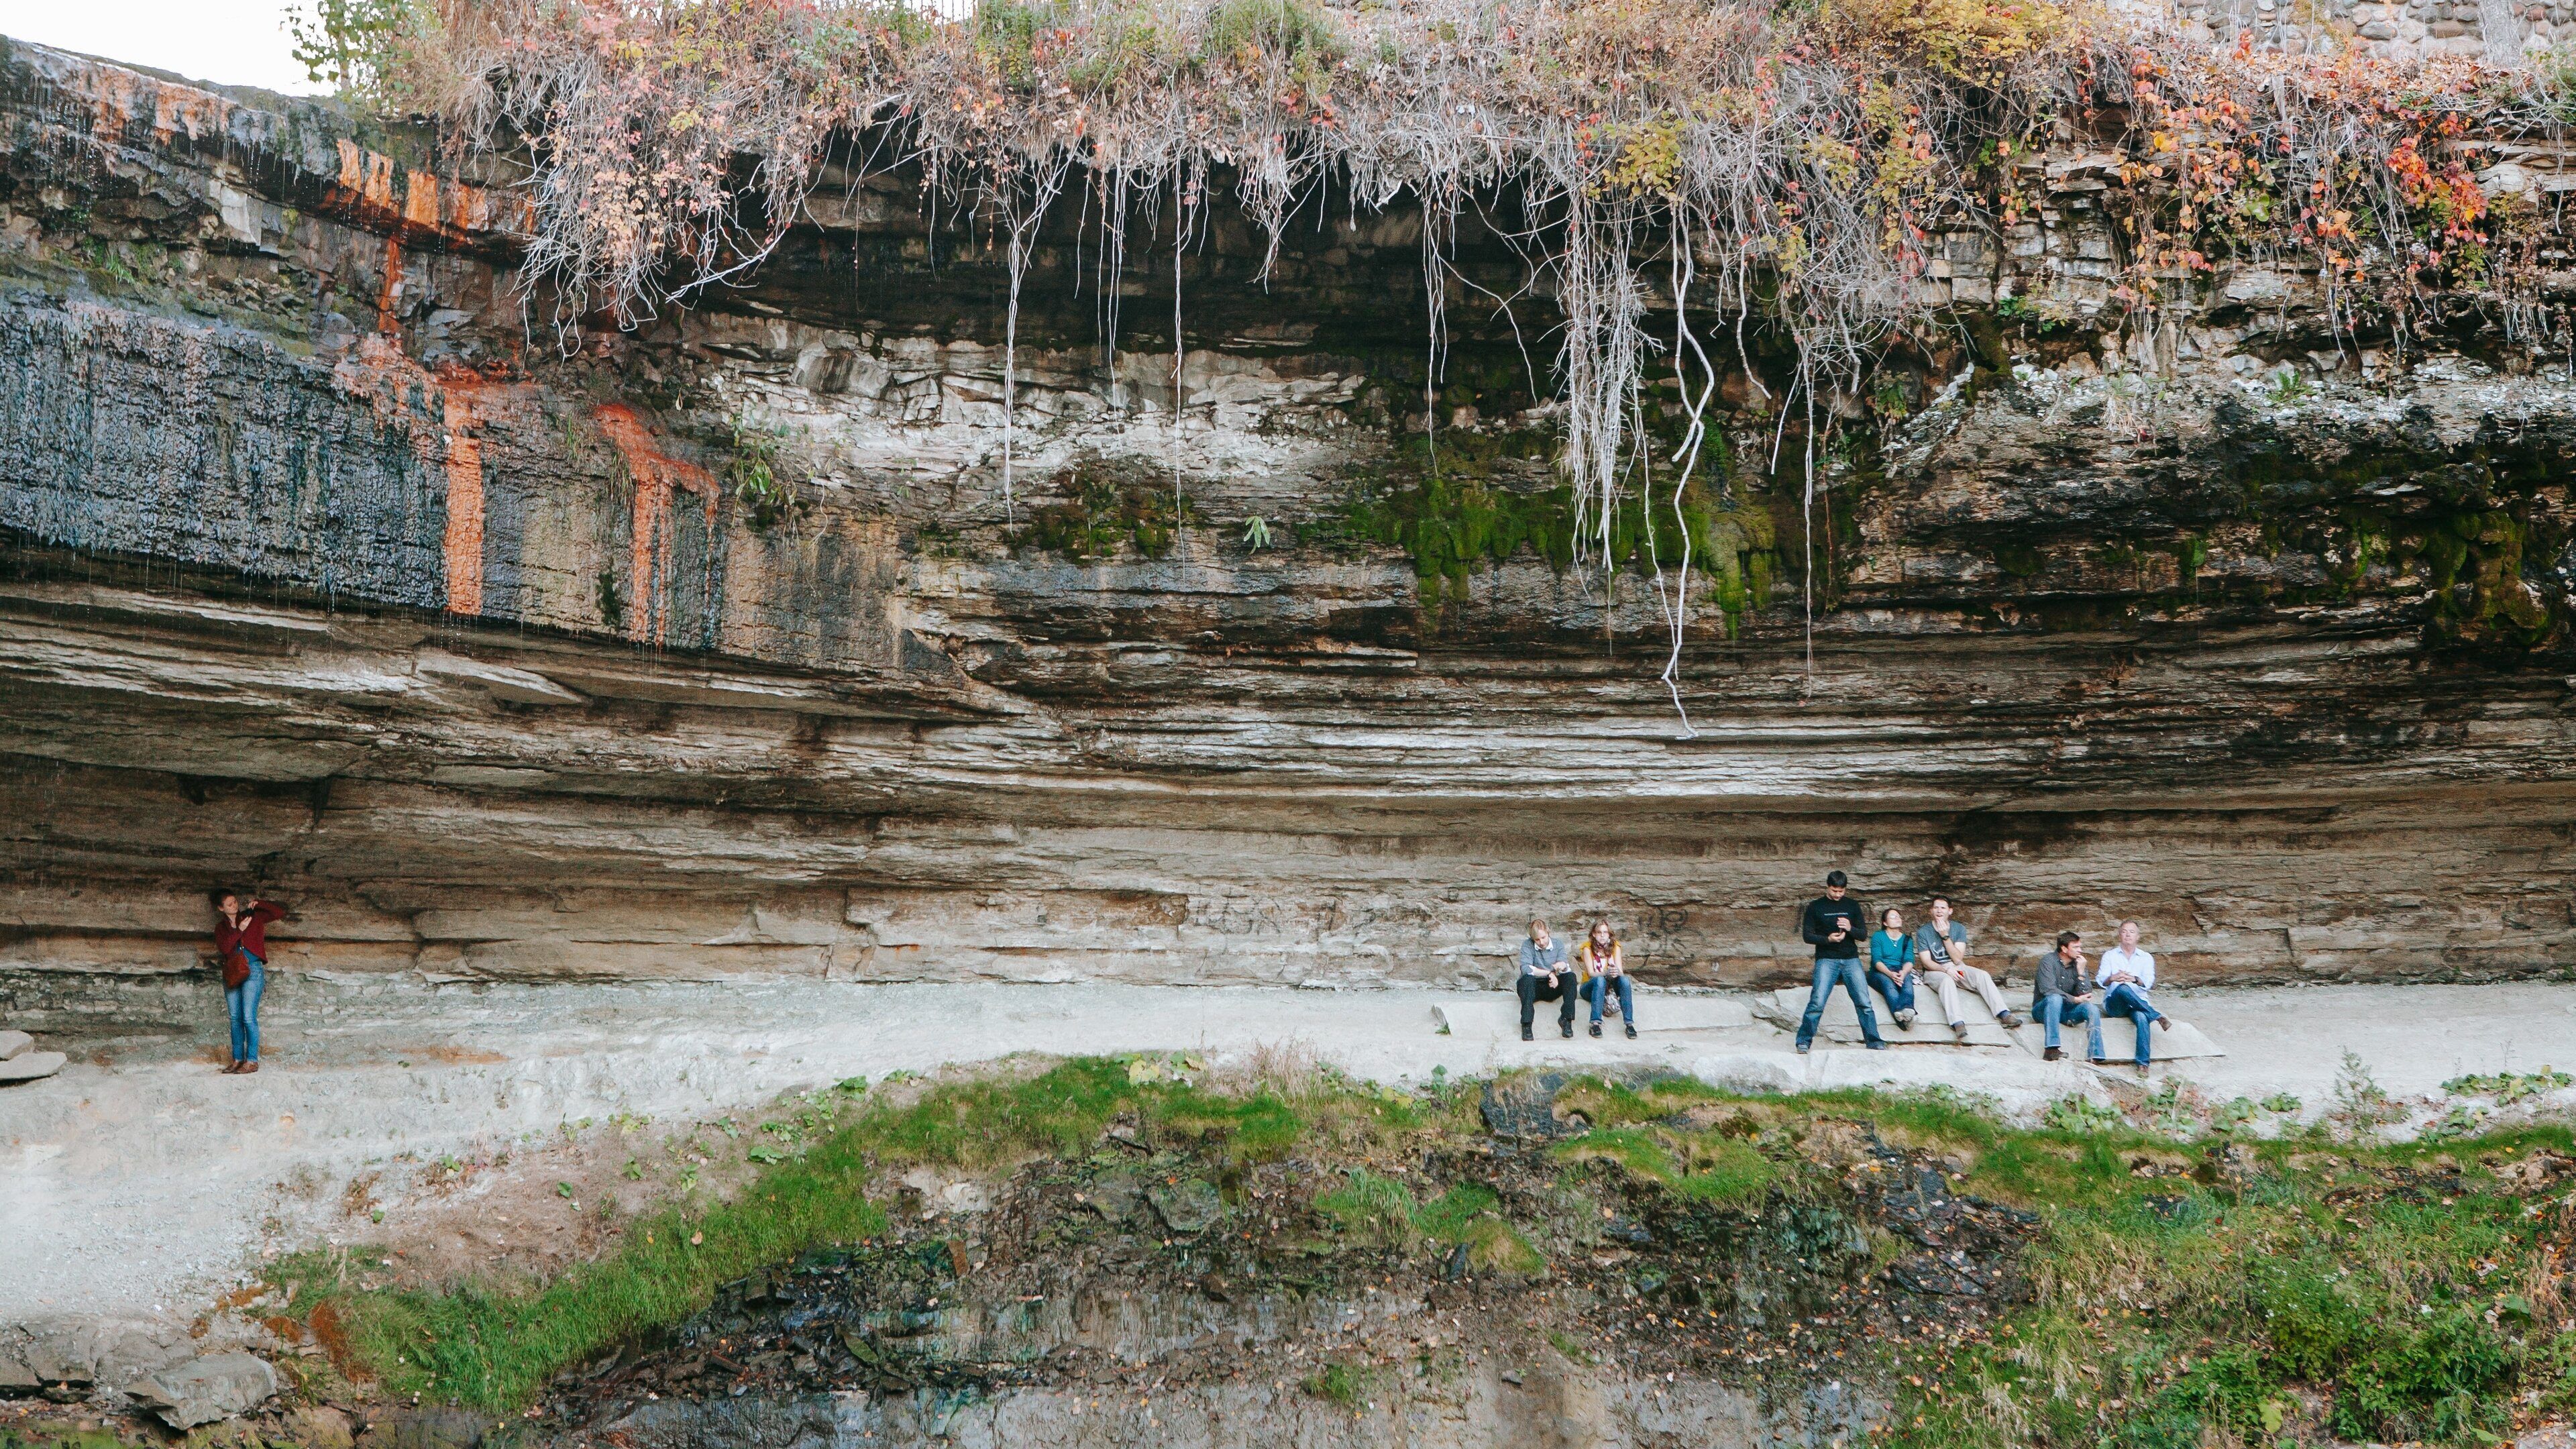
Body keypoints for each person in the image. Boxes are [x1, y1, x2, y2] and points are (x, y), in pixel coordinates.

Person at [1795, 871, 1887, 1054]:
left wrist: (1850, 928)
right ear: (1827, 887)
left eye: (1841, 891)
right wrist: (1828, 939)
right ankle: (1803, 1042)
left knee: (1864, 1002)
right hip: (1826, 959)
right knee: (1817, 1002)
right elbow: (1807, 936)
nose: (1838, 895)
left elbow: (1863, 935)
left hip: (1851, 959)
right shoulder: (1815, 906)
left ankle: (1874, 1041)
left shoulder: (1852, 906)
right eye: (1834, 891)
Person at [1913, 897, 2024, 1042]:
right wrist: (1946, 970)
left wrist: (1945, 936)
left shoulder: (1959, 929)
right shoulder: (1924, 931)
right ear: (1931, 911)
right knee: (1947, 981)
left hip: (1957, 969)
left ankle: (2003, 1013)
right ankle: (1957, 1023)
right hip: (1936, 971)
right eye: (1936, 908)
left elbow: (1958, 959)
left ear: (1950, 911)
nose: (1939, 911)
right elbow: (1927, 962)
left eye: (1943, 908)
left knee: (1982, 975)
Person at [211, 889, 286, 1075]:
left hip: (253, 970)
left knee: (248, 1017)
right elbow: (225, 948)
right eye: (229, 904)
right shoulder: (221, 928)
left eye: (235, 901)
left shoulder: (252, 917)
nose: (234, 906)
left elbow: (279, 913)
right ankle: (237, 1059)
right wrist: (240, 930)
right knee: (235, 1018)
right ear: (221, 908)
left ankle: (252, 1061)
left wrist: (260, 904)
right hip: (233, 972)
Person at [2096, 920, 2174, 1073]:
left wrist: (2135, 979)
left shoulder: (2146, 957)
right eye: (2124, 931)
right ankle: (2157, 1016)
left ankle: (2143, 1064)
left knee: (2142, 1018)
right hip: (2116, 1004)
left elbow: (2149, 983)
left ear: (2138, 936)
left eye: (2132, 932)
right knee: (2123, 989)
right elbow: (2100, 981)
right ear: (2119, 935)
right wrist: (2113, 978)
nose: (2128, 935)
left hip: (2137, 1005)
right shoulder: (2110, 955)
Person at [2031, 930, 2106, 1064]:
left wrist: (2081, 973)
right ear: (2064, 949)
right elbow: (2048, 990)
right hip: (2043, 1010)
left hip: (2067, 1011)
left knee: (2091, 1008)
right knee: (2055, 998)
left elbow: (2086, 994)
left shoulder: (2079, 964)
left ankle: (2095, 1055)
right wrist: (2075, 999)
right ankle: (2051, 1049)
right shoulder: (2048, 961)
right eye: (2076, 947)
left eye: (2080, 947)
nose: (2080, 950)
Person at [1515, 918, 1576, 1041]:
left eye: (1543, 937)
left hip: (1552, 986)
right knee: (1527, 979)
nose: (1541, 942)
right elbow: (1526, 968)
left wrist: (1561, 967)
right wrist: (1549, 973)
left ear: (1548, 932)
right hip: (1534, 986)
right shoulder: (1527, 945)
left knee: (1571, 977)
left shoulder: (1558, 944)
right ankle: (1527, 1024)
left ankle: (1566, 1019)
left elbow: (1564, 964)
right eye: (1537, 940)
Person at [1576, 917, 1636, 1040]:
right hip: (1591, 986)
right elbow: (1591, 973)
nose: (1602, 936)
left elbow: (1621, 971)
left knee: (1625, 980)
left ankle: (1629, 1024)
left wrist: (1615, 972)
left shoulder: (1615, 947)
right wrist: (1605, 973)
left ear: (1609, 934)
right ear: (1594, 934)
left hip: (1610, 986)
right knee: (1600, 980)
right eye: (1599, 933)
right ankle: (1595, 1023)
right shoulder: (1587, 948)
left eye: (1605, 932)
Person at [1867, 907, 1919, 1029]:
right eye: (1893, 917)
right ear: (1885, 923)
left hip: (1900, 969)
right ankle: (1904, 1020)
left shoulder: (1907, 939)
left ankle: (1906, 1010)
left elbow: (1909, 960)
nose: (1898, 919)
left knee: (1907, 983)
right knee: (1889, 985)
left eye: (1899, 917)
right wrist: (1890, 974)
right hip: (1880, 971)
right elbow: (1877, 961)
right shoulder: (1878, 936)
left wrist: (1903, 972)